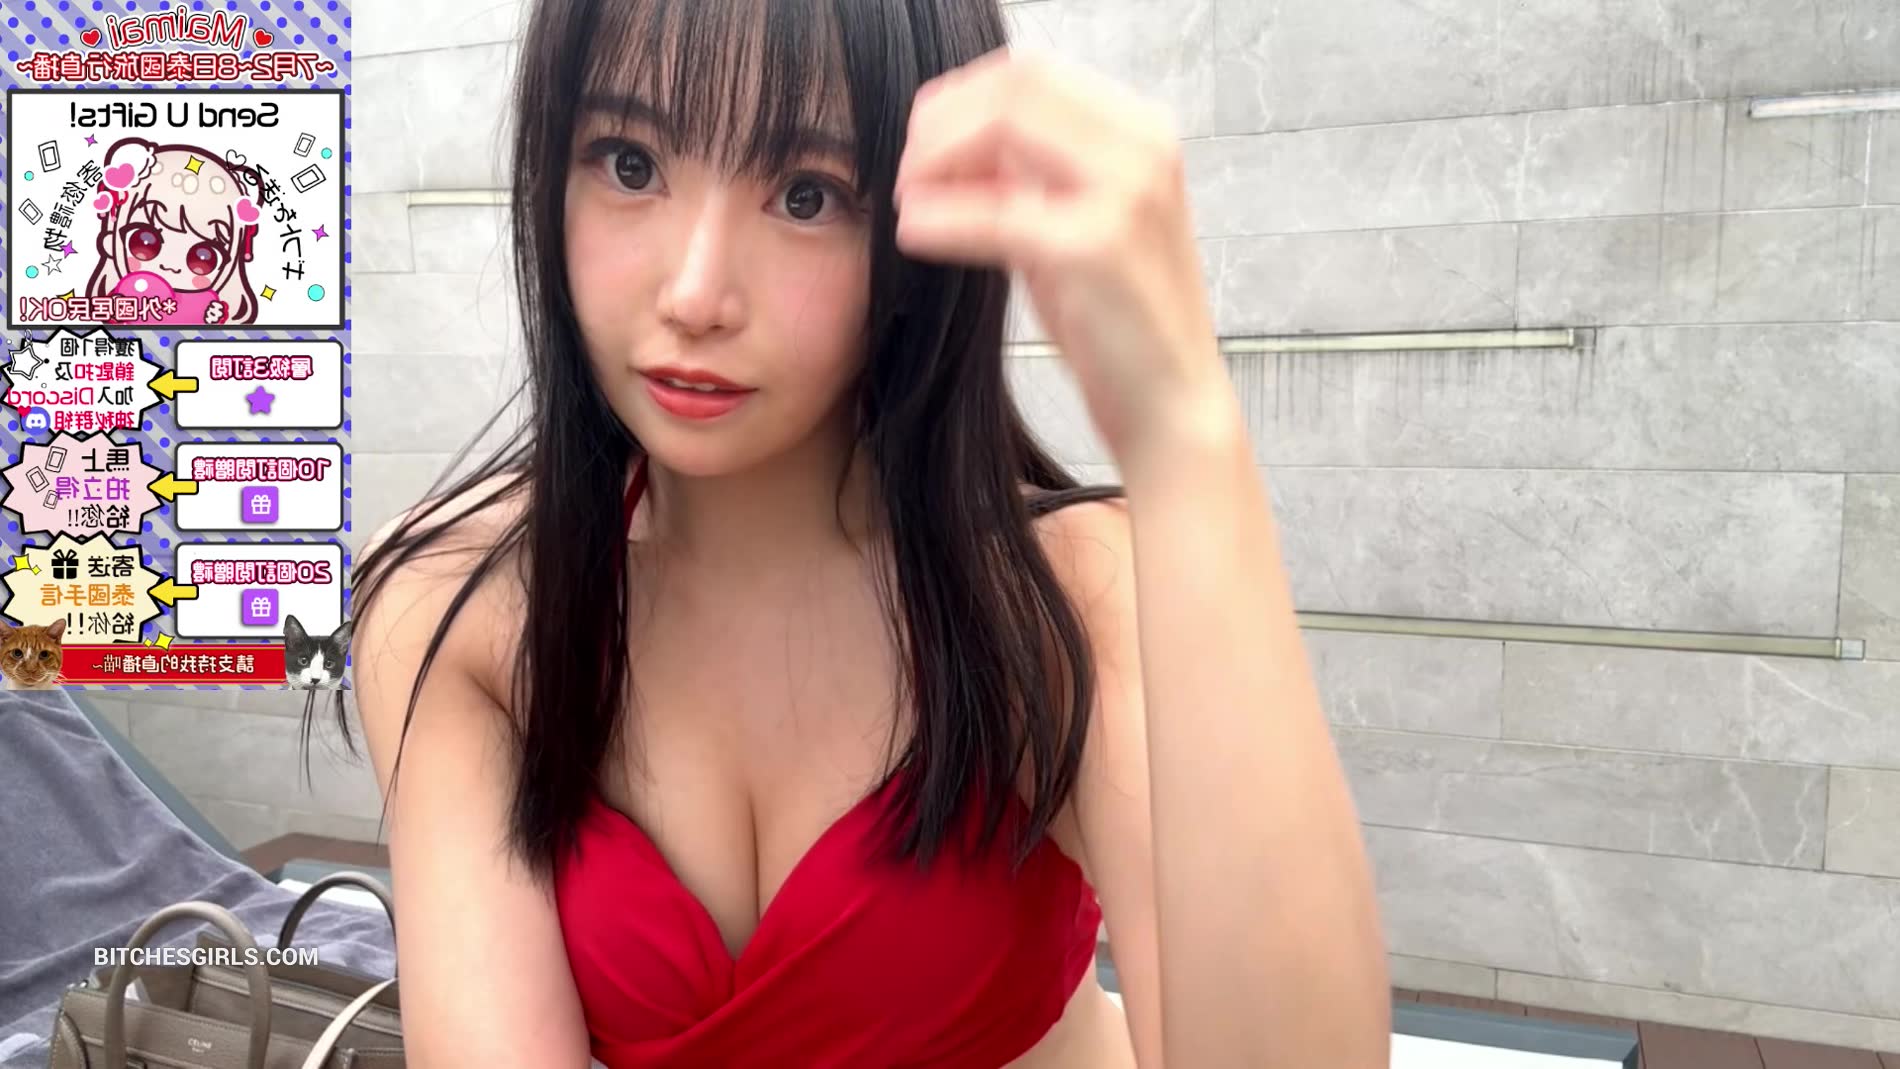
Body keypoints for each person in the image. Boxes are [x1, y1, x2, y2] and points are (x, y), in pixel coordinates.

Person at [333, 0, 1390, 1065]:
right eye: (630, 163)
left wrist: (1181, 431)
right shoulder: (458, 610)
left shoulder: (1068, 603)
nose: (695, 293)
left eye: (807, 193)